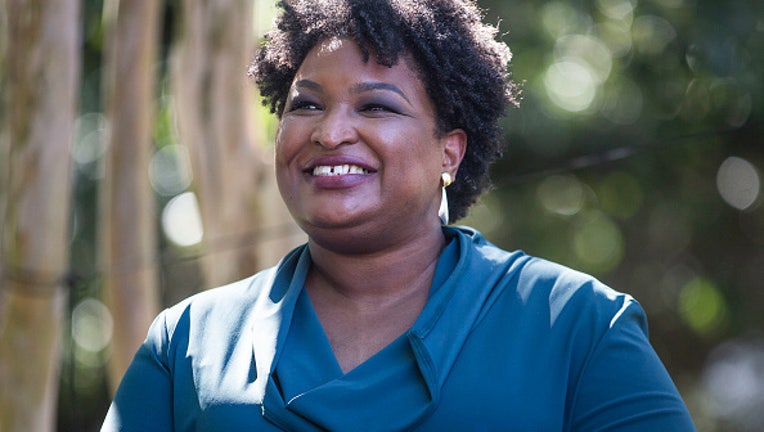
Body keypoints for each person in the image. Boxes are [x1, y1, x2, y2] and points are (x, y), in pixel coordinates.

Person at [102, 0, 696, 430]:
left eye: (377, 106)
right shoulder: (187, 344)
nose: (330, 132)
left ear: (449, 152)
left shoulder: (577, 328)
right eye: (306, 104)